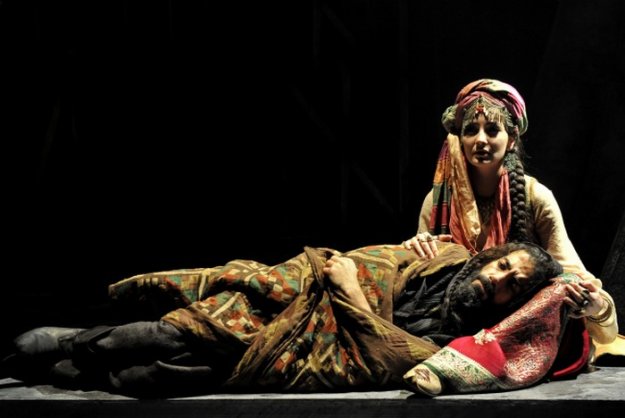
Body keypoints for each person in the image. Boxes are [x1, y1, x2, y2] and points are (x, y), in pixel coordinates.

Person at [1, 241, 564, 397]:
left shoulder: (460, 338)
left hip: (307, 350)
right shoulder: (441, 255)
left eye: (512, 286)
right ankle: (71, 344)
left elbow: (393, 356)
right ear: (492, 257)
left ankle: (56, 368)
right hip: (292, 301)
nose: (498, 280)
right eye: (503, 267)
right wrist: (350, 279)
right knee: (172, 332)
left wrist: (354, 297)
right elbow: (368, 260)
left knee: (156, 377)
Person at [402, 79, 618, 347]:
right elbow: (416, 280)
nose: (481, 140)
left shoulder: (535, 197)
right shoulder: (438, 200)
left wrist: (596, 307)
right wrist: (414, 250)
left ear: (512, 139)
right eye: (471, 130)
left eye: (492, 130)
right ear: (459, 139)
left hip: (513, 328)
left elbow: (573, 275)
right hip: (448, 320)